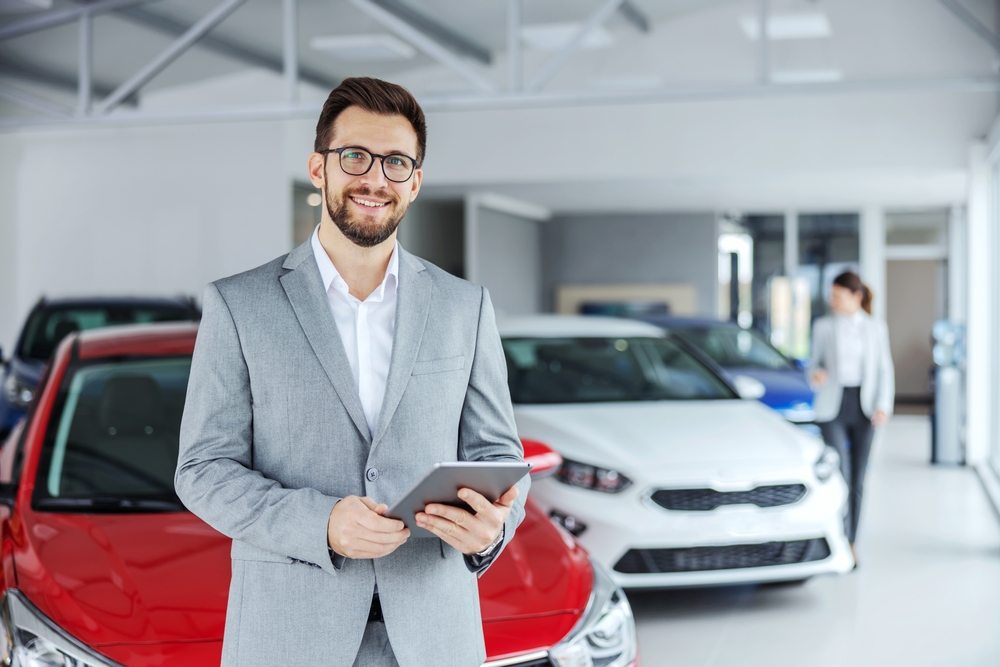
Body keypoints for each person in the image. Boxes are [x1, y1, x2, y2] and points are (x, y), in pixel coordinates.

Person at [175, 77, 530, 667]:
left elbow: (499, 455)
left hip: (433, 635)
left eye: (396, 163)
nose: (375, 179)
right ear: (319, 168)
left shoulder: (464, 307)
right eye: (355, 157)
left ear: (414, 183)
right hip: (289, 635)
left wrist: (493, 530)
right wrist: (321, 524)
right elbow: (202, 470)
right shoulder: (239, 304)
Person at [807, 271, 894, 561]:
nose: (832, 300)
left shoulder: (875, 328)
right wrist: (816, 374)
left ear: (856, 296)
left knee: (857, 476)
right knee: (839, 474)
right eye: (831, 295)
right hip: (832, 406)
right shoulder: (822, 327)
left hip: (864, 406)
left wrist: (883, 404)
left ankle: (852, 541)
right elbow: (813, 364)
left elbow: (884, 368)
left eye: (838, 295)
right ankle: (837, 536)